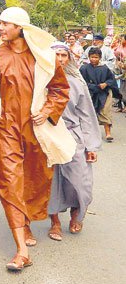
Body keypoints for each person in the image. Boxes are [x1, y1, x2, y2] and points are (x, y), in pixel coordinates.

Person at [0, 7, 75, 271]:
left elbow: (60, 90)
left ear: (20, 27)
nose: (0, 27)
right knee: (9, 181)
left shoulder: (44, 57)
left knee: (35, 178)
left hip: (35, 129)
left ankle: (27, 222)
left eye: (5, 23)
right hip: (5, 130)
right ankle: (21, 249)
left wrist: (47, 111)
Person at [46, 42, 101, 241]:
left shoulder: (77, 83)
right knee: (51, 182)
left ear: (69, 58)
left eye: (63, 55)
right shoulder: (40, 82)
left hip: (73, 137)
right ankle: (55, 222)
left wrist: (91, 145)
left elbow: (86, 115)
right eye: (56, 55)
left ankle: (76, 213)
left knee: (80, 180)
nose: (60, 59)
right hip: (48, 138)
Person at [80, 47, 118, 142]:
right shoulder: (84, 69)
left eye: (96, 57)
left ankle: (108, 133)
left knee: (105, 112)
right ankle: (91, 133)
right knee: (90, 113)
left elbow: (111, 79)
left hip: (104, 93)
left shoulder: (105, 68)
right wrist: (93, 87)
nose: (94, 59)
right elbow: (81, 82)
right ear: (88, 57)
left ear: (100, 57)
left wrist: (105, 84)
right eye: (92, 57)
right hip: (90, 94)